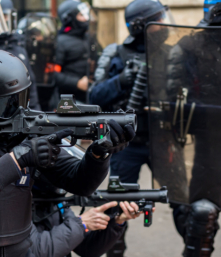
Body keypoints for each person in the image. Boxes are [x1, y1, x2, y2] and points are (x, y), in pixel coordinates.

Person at [0, 48, 136, 257]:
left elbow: (81, 184)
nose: (21, 109)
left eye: (23, 98)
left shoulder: (22, 131)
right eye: (10, 103)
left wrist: (98, 154)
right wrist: (18, 158)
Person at [87, 0, 174, 256]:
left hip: (165, 142)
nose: (164, 24)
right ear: (141, 26)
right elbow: (95, 95)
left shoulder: (173, 52)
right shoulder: (116, 54)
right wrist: (121, 81)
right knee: (118, 205)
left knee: (184, 205)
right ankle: (114, 249)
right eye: (158, 19)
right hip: (128, 145)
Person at [149, 1, 221, 255]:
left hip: (205, 146)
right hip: (206, 147)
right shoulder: (189, 46)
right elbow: (175, 102)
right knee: (202, 213)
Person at [0, 0, 41, 110]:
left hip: (22, 109)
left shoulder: (18, 44)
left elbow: (30, 81)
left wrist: (35, 110)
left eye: (6, 16)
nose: (3, 20)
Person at [54, 0, 94, 103]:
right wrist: (76, 83)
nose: (86, 18)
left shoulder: (89, 37)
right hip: (69, 100)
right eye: (81, 15)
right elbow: (53, 73)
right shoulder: (60, 42)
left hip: (91, 95)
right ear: (69, 18)